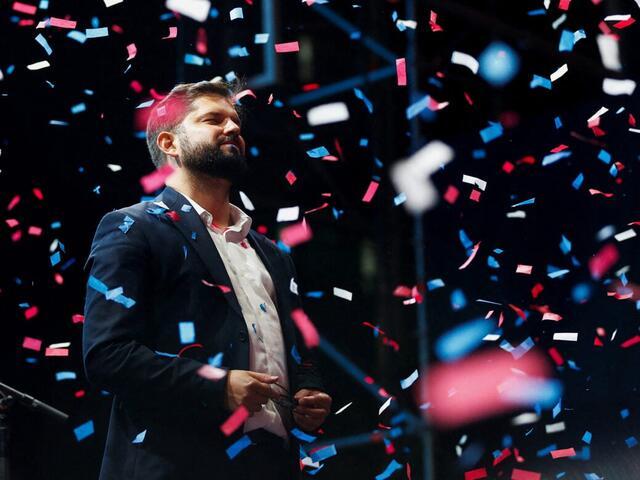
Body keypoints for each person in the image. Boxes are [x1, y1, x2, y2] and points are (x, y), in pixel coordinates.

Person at [82, 79, 331, 480]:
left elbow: (298, 354)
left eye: (235, 121)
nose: (233, 129)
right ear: (170, 144)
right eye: (213, 120)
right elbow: (107, 355)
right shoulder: (132, 227)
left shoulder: (272, 254)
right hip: (176, 463)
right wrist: (217, 386)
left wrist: (308, 391)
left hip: (271, 465)